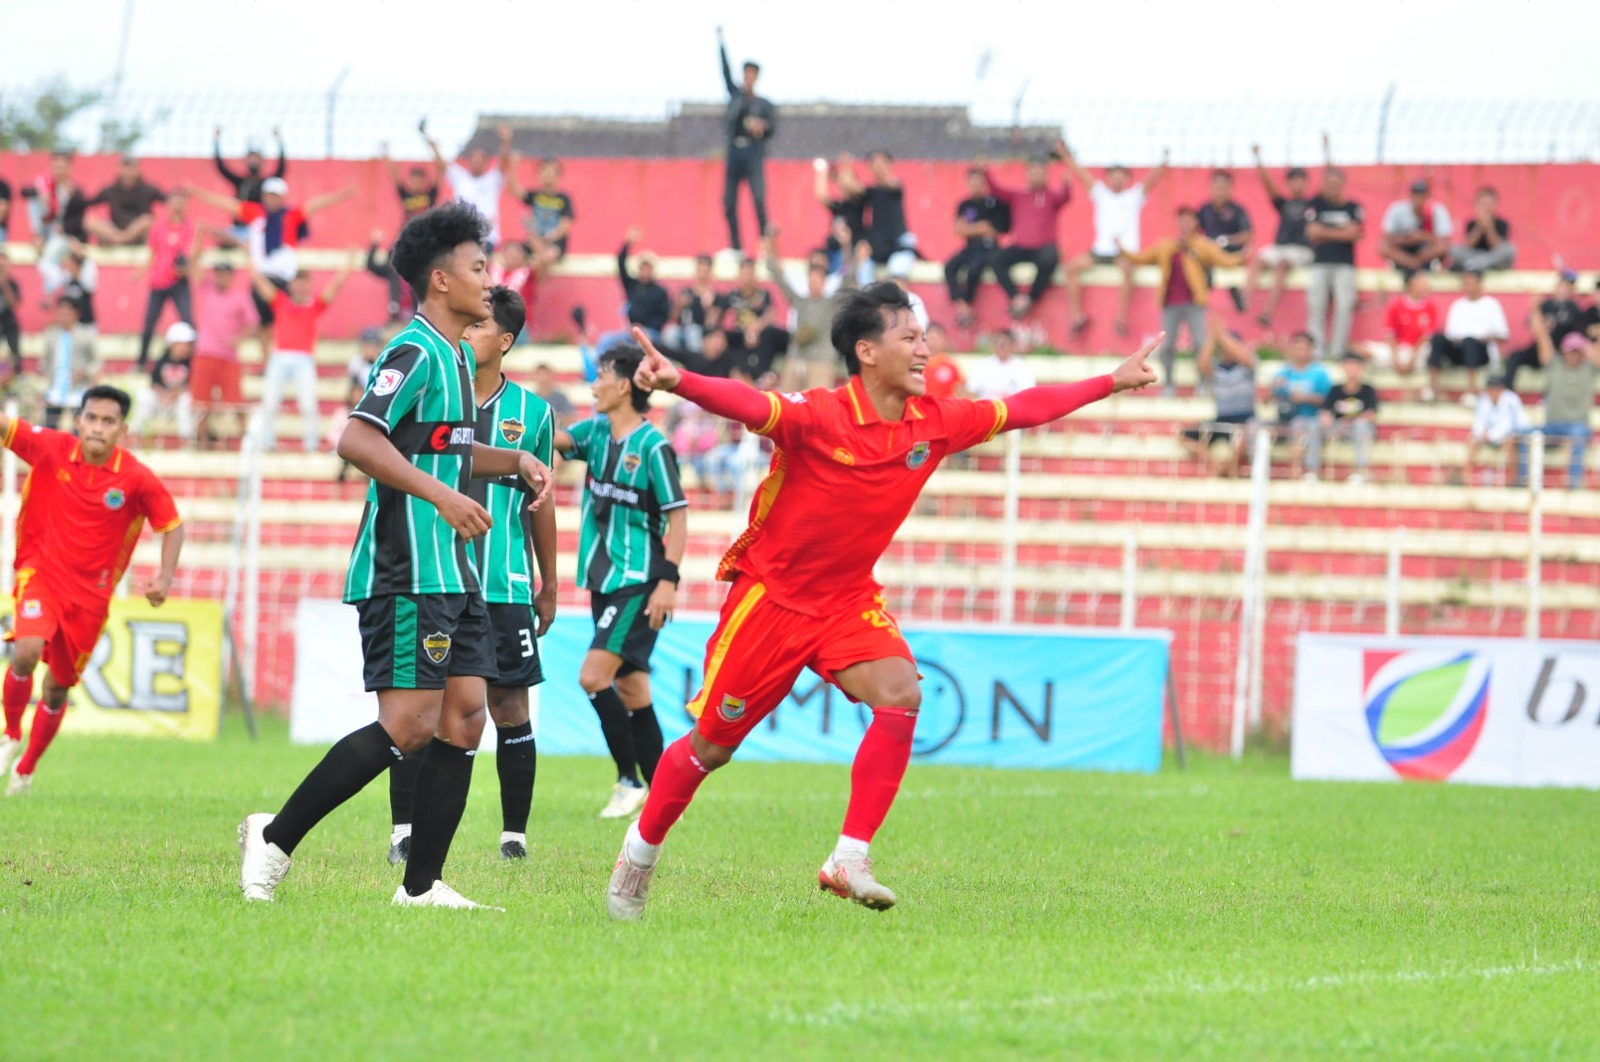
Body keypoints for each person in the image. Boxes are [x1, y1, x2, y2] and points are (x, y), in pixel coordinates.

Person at [603, 285, 1160, 920]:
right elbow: (750, 404)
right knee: (711, 748)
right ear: (866, 351)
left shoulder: (936, 423)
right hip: (772, 602)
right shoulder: (818, 416)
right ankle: (639, 855)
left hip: (845, 602)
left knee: (901, 693)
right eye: (910, 338)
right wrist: (679, 381)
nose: (925, 350)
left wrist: (1109, 381)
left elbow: (1023, 408)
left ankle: (849, 856)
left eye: (924, 337)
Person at [238, 202, 555, 909]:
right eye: (479, 267)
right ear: (440, 280)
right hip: (407, 568)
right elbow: (357, 439)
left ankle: (422, 886)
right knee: (409, 724)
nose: (489, 278)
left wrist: (516, 461)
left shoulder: (450, 358)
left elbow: (438, 447)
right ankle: (275, 836)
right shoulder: (412, 350)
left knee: (467, 715)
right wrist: (442, 499)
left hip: (455, 570)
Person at [388, 285, 558, 863]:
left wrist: (549, 582)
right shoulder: (439, 393)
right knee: (422, 708)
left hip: (505, 582)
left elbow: (543, 502)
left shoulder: (534, 414)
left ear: (504, 341)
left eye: (480, 327)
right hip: (437, 576)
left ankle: (514, 838)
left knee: (511, 707)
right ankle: (403, 830)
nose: (467, 333)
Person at [0, 386, 185, 796]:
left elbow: (172, 525)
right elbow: (4, 426)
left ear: (122, 428)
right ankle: (10, 734)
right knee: (26, 650)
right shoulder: (50, 448)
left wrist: (165, 578)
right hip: (41, 576)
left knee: (56, 687)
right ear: (78, 420)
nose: (98, 428)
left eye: (108, 421)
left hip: (90, 599)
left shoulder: (135, 478)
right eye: (92, 418)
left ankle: (26, 769)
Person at [553, 344, 687, 820]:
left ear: (625, 384)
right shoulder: (593, 434)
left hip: (639, 581)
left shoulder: (653, 447)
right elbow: (551, 438)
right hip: (602, 580)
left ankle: (629, 779)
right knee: (633, 691)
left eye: (602, 374)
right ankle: (667, 796)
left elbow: (678, 517)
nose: (593, 384)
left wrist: (667, 583)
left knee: (593, 677)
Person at [188, 176, 355, 336]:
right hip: (262, 277)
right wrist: (197, 192)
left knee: (285, 319)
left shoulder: (291, 215)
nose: (271, 199)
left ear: (282, 197)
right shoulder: (254, 213)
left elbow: (316, 205)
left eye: (275, 195)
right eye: (268, 195)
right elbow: (226, 204)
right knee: (262, 324)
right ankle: (267, 359)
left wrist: (342, 195)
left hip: (284, 277)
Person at [1119, 208, 1242, 394]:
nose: (1185, 224)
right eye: (1181, 220)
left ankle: (1203, 383)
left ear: (1195, 223)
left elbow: (1224, 260)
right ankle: (1168, 384)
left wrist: (1244, 256)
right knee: (1167, 346)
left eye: (1188, 220)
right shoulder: (1166, 245)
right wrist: (1121, 248)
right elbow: (1142, 257)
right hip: (1170, 303)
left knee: (1201, 343)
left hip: (1195, 302)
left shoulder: (1202, 245)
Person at [246, 255, 354, 452]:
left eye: (304, 283)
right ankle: (267, 444)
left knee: (308, 405)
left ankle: (310, 446)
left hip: (304, 359)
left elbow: (335, 286)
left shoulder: (315, 305)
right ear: (291, 285)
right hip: (279, 357)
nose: (300, 287)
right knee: (270, 403)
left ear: (308, 286)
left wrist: (348, 263)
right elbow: (259, 282)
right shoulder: (280, 301)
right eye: (297, 283)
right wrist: (248, 257)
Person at [1062, 147, 1169, 336]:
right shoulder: (1101, 194)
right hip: (1101, 251)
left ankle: (1121, 319)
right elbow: (1081, 174)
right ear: (1107, 178)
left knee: (1128, 271)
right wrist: (1064, 155)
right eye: (1113, 175)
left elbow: (1152, 180)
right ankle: (1077, 315)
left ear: (1127, 178)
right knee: (1071, 268)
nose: (1118, 179)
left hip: (1124, 252)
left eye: (1121, 175)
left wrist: (1165, 160)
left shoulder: (1134, 196)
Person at [986, 144, 1072, 324]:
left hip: (1043, 248)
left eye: (1040, 171)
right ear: (1027, 173)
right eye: (1033, 171)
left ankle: (1029, 299)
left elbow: (1065, 198)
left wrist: (1067, 180)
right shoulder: (1018, 195)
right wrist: (985, 172)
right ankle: (1016, 297)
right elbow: (998, 191)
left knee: (1050, 259)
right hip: (1021, 247)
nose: (1036, 174)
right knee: (996, 259)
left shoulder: (1051, 196)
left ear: (1046, 174)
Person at [717, 26, 777, 254]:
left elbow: (773, 128)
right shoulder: (736, 96)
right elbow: (724, 71)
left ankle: (764, 245)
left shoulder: (764, 104)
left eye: (752, 74)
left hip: (753, 153)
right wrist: (720, 42)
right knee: (728, 203)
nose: (748, 78)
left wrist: (761, 126)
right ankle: (735, 246)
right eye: (746, 74)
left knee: (758, 201)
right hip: (735, 152)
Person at [764, 230, 847, 391]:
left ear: (824, 282)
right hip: (796, 357)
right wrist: (770, 249)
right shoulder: (800, 301)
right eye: (811, 279)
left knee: (819, 408)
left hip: (821, 360)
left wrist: (847, 246)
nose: (813, 283)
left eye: (817, 279)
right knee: (787, 403)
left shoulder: (831, 302)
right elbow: (780, 280)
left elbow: (849, 275)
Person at [189, 258, 259, 447]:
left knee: (236, 400)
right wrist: (199, 235)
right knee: (201, 401)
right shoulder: (207, 290)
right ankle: (201, 441)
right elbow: (193, 264)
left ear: (232, 276)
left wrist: (239, 337)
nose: (220, 278)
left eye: (224, 274)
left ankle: (247, 439)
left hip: (228, 356)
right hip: (205, 353)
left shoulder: (240, 297)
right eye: (218, 273)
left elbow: (253, 324)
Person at [1524, 311, 1598, 489]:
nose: (1572, 354)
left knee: (1579, 436)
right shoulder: (1554, 364)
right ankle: (1524, 480)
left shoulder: (1590, 368)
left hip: (1578, 426)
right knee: (1524, 435)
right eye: (1570, 350)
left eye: (1577, 350)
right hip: (1552, 426)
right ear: (1563, 351)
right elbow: (1541, 337)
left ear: (1583, 353)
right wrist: (1534, 306)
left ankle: (1574, 484)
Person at [1245, 144, 1315, 328]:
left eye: (1301, 180)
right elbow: (1267, 185)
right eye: (1294, 180)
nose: (1297, 184)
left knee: (1282, 264)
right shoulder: (1284, 204)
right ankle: (1244, 300)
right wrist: (1258, 159)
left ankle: (1267, 312)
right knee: (1258, 260)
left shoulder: (1313, 204)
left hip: (1301, 250)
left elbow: (1331, 181)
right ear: (1289, 183)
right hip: (1280, 247)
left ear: (1306, 183)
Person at [1182, 321, 1258, 477]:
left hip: (1245, 419)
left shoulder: (1247, 365)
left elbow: (1243, 356)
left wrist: (1222, 335)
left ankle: (1229, 468)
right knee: (1185, 436)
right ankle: (1216, 467)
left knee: (1245, 438)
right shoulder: (1216, 367)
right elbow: (1202, 364)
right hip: (1221, 419)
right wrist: (1212, 337)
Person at [1304, 168, 1364, 361]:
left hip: (1344, 265)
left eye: (1335, 183)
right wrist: (1341, 232)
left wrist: (1326, 232)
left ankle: (1338, 351)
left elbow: (1354, 233)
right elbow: (1312, 232)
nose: (1332, 187)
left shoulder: (1353, 207)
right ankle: (1316, 352)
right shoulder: (1316, 204)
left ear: (1342, 184)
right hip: (1320, 264)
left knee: (1345, 306)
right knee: (1316, 307)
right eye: (1328, 183)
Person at [135, 189, 199, 367]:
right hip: (158, 281)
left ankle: (193, 360)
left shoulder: (191, 228)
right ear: (168, 205)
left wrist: (185, 265)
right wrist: (141, 272)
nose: (177, 206)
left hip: (179, 280)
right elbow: (153, 253)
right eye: (174, 202)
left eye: (181, 202)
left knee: (188, 321)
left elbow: (192, 255)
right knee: (149, 323)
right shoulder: (159, 227)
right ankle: (141, 362)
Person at [427, 123, 513, 250]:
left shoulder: (493, 179)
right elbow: (442, 164)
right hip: (461, 236)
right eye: (474, 159)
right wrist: (432, 144)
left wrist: (506, 141)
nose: (476, 163)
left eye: (480, 160)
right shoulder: (460, 177)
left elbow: (504, 162)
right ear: (468, 161)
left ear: (486, 162)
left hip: (487, 238)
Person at [943, 168, 1011, 329]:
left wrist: (970, 229)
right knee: (950, 266)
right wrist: (978, 228)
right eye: (972, 182)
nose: (975, 185)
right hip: (969, 248)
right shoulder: (964, 204)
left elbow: (993, 230)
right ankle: (961, 307)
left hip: (989, 249)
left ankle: (968, 305)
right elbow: (959, 229)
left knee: (974, 270)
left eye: (979, 182)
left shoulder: (995, 204)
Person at [1428, 270, 1509, 401]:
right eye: (1465, 283)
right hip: (1460, 350)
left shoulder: (1491, 305)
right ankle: (1432, 387)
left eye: (1471, 283)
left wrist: (1479, 339)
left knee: (1470, 341)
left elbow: (1503, 336)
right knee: (1438, 338)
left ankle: (1472, 389)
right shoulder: (1457, 305)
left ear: (1480, 284)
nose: (1468, 286)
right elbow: (1450, 334)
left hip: (1482, 352)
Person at [1504, 270, 1586, 393]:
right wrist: (1538, 317)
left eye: (1569, 287)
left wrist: (1553, 325)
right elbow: (1530, 323)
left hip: (1558, 353)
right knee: (1514, 356)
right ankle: (1508, 392)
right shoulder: (1546, 304)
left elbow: (1575, 332)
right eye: (1563, 285)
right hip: (1537, 348)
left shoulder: (1574, 309)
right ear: (1557, 286)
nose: (1565, 289)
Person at [21, 151, 89, 299]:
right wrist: (40, 193)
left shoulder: (75, 192)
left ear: (69, 168)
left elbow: (78, 220)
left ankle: (52, 286)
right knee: (33, 201)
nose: (59, 170)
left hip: (62, 235)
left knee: (50, 255)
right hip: (44, 230)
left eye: (62, 166)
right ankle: (38, 237)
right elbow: (23, 192)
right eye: (56, 166)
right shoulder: (45, 185)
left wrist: (66, 231)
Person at [1305, 352, 1379, 484]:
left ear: (1361, 368)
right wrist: (1327, 419)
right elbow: (1326, 411)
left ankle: (1360, 470)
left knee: (1361, 426)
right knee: (1314, 425)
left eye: (1355, 366)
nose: (1351, 369)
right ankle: (1312, 470)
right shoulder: (1335, 389)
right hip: (1338, 427)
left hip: (1357, 429)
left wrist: (1351, 421)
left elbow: (1371, 415)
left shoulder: (1368, 390)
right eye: (1348, 366)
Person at [1270, 332, 1332, 475]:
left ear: (1311, 350)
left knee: (1299, 424)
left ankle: (1299, 470)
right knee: (1255, 426)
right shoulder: (1283, 372)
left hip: (1309, 419)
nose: (1300, 352)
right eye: (1297, 348)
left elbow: (1326, 401)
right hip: (1283, 418)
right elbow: (1266, 400)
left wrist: (1304, 398)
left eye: (1304, 348)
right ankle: (1261, 470)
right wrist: (1273, 388)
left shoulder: (1320, 373)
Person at [719, 257, 789, 379]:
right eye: (744, 273)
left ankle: (763, 376)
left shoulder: (763, 294)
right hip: (739, 336)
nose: (747, 278)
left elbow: (770, 314)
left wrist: (755, 328)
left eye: (750, 273)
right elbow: (721, 318)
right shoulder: (732, 296)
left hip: (760, 335)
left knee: (771, 334)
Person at [213, 126, 286, 242]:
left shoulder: (266, 183)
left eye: (256, 158)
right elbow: (222, 168)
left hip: (258, 229)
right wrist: (216, 141)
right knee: (221, 238)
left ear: (262, 161)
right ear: (246, 160)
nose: (254, 161)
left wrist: (280, 142)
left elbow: (281, 169)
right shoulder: (240, 181)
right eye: (251, 157)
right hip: (238, 229)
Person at [1196, 170, 1253, 312]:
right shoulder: (1204, 209)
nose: (1220, 192)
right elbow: (1194, 233)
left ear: (1230, 189)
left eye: (1223, 187)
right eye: (1217, 187)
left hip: (1231, 254)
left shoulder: (1238, 210)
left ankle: (1237, 294)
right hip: (1209, 256)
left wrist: (1224, 241)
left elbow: (1247, 235)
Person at [131, 321, 197, 444]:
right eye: (185, 344)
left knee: (186, 401)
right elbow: (154, 383)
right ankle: (136, 437)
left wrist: (176, 394)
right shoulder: (161, 361)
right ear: (173, 344)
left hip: (178, 401)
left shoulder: (192, 363)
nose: (188, 348)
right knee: (145, 397)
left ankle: (187, 441)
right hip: (162, 400)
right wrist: (164, 395)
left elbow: (193, 384)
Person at [507, 157, 574, 275]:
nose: (548, 175)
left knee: (546, 258)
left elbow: (565, 226)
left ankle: (534, 291)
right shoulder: (536, 195)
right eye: (544, 171)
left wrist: (545, 239)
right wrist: (513, 167)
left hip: (554, 244)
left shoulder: (564, 199)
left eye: (551, 171)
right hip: (534, 240)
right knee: (513, 254)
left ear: (558, 176)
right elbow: (514, 190)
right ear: (539, 174)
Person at [40, 298, 98, 429]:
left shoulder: (86, 334)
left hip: (77, 390)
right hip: (55, 389)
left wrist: (85, 372)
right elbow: (46, 360)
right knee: (49, 428)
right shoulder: (52, 334)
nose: (63, 317)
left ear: (76, 314)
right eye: (60, 313)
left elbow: (96, 362)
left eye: (67, 313)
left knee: (79, 429)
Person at [83, 156, 165, 247]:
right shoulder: (110, 190)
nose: (128, 173)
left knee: (147, 219)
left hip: (137, 233)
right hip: (114, 230)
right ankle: (121, 240)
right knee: (89, 221)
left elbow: (168, 200)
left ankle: (121, 241)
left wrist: (182, 192)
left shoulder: (149, 189)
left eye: (132, 169)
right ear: (119, 170)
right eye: (125, 168)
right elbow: (89, 203)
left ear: (138, 171)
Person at [1381, 178, 1452, 278]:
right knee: (1383, 246)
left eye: (1421, 195)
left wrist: (1422, 236)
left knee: (1443, 247)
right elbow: (1386, 238)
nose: (1418, 199)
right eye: (1415, 194)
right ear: (1410, 195)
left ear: (1427, 196)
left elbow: (1444, 242)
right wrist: (1407, 239)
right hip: (1404, 250)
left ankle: (1417, 263)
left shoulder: (1437, 210)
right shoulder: (1397, 209)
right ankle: (1412, 263)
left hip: (1425, 252)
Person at [1377, 271, 1441, 379]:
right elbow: (1390, 335)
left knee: (1432, 350)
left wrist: (1412, 359)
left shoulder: (1431, 307)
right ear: (1411, 283)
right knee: (1368, 350)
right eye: (1422, 282)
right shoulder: (1395, 305)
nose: (1426, 285)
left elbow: (1427, 337)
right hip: (1400, 350)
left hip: (1419, 351)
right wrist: (1396, 359)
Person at [1466, 374, 1529, 485]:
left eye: (1496, 389)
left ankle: (1512, 479)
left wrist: (1490, 435)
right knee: (1471, 440)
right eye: (1491, 389)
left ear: (1502, 389)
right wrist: (1482, 433)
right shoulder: (1484, 399)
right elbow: (1478, 422)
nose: (1493, 392)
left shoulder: (1511, 399)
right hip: (1491, 435)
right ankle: (1468, 479)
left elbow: (1508, 425)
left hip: (1514, 433)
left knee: (1510, 441)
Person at [860, 152, 915, 277]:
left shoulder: (896, 185)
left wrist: (881, 173)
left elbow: (893, 184)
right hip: (881, 246)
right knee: (862, 271)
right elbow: (853, 189)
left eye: (881, 163)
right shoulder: (871, 192)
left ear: (890, 165)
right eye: (874, 164)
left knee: (897, 270)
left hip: (900, 244)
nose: (878, 167)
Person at [1451, 187, 1515, 274]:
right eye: (1483, 204)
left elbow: (1497, 246)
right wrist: (1479, 227)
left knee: (1509, 250)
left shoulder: (1502, 223)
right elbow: (1468, 245)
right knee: (1454, 250)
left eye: (1489, 204)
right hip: (1474, 255)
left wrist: (1489, 227)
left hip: (1493, 257)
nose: (1486, 208)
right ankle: (1479, 264)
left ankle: (1476, 265)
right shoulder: (1471, 223)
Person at [967, 330, 1036, 401]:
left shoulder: (1023, 368)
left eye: (1004, 344)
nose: (1000, 347)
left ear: (1013, 345)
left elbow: (1028, 395)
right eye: (997, 343)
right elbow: (972, 391)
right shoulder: (982, 365)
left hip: (1011, 408)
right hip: (988, 407)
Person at [921, 322, 965, 400]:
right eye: (930, 338)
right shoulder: (917, 363)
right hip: (921, 409)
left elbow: (960, 391)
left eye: (936, 339)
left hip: (945, 409)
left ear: (943, 340)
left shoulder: (951, 364)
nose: (932, 343)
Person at [0, 253, 19, 374]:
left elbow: (14, 305)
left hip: (9, 326)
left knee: (13, 358)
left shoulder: (12, 284)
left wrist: (4, 283)